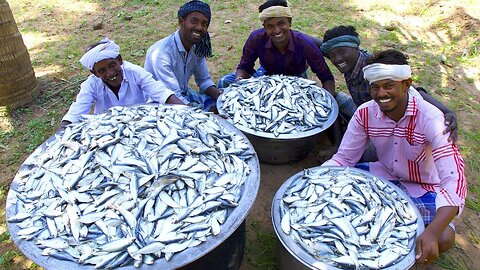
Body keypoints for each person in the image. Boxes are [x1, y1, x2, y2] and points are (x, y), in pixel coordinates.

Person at [322, 49, 467, 264]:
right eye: (375, 87)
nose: (381, 94)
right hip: (383, 176)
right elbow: (344, 159)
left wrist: (432, 233)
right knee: (334, 204)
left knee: (443, 237)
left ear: (406, 84)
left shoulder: (431, 119)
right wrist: (318, 176)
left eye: (388, 86)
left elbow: (454, 180)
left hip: (424, 187)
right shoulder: (365, 113)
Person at [217, 0, 344, 146]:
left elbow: (326, 77)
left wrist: (327, 102)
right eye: (270, 26)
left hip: (297, 79)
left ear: (289, 22)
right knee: (224, 82)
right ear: (264, 27)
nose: (276, 30)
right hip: (266, 75)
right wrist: (239, 82)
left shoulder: (304, 43)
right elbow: (244, 67)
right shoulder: (256, 38)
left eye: (281, 23)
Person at [320, 25, 458, 142]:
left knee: (359, 154)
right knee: (333, 99)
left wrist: (447, 111)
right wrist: (300, 36)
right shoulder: (347, 63)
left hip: (385, 125)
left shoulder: (374, 67)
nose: (337, 59)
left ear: (356, 47)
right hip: (362, 113)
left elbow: (412, 90)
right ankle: (341, 138)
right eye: (332, 55)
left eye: (342, 52)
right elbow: (324, 47)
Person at [61, 38, 183, 126]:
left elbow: (161, 92)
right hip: (106, 128)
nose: (110, 73)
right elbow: (77, 111)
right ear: (95, 73)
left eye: (112, 65)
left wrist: (188, 111)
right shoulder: (91, 85)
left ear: (119, 60)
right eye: (102, 71)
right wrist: (60, 135)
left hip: (139, 122)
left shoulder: (135, 72)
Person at [144, 0, 221, 111]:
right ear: (181, 22)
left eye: (204, 24)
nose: (199, 27)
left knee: (219, 106)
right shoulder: (161, 54)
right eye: (194, 21)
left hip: (183, 94)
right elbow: (172, 97)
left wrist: (221, 97)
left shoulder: (196, 46)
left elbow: (204, 80)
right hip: (162, 104)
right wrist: (203, 117)